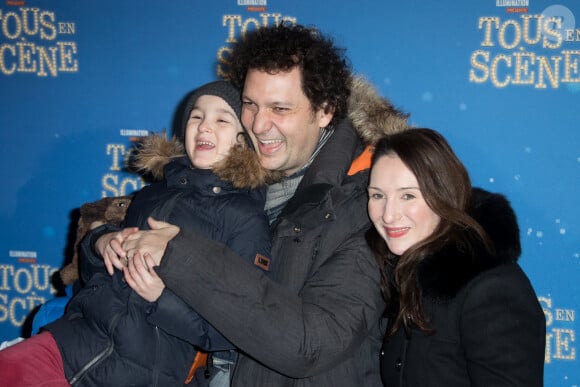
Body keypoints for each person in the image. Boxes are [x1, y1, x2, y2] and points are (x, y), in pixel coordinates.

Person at [90, 23, 410, 386]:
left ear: (324, 110)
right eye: (250, 104)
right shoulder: (233, 173)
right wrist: (100, 238)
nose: (259, 124)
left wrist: (181, 253)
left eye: (280, 108)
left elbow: (310, 344)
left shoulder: (369, 204)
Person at [0, 80, 275, 386]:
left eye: (221, 119)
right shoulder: (151, 195)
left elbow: (235, 328)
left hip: (140, 369)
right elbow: (93, 279)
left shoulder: (245, 219)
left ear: (243, 141)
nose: (204, 127)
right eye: (196, 116)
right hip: (73, 337)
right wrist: (101, 244)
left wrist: (161, 298)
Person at [365, 128, 546, 386]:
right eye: (377, 195)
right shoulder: (403, 274)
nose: (388, 214)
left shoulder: (492, 291)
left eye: (408, 195)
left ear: (443, 194)